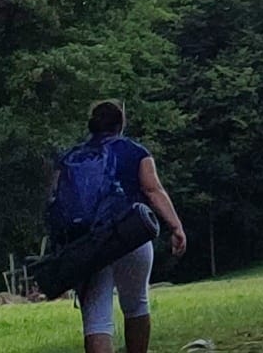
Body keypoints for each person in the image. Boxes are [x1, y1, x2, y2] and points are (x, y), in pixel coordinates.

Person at [69, 100, 187, 353]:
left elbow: (58, 202)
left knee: (96, 318)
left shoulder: (72, 158)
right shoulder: (136, 152)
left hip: (89, 242)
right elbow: (153, 190)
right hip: (131, 235)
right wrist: (176, 227)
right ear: (121, 124)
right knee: (136, 304)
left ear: (92, 125)